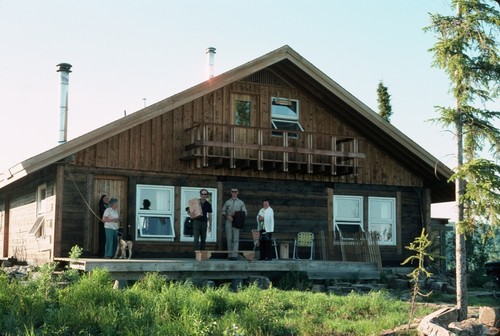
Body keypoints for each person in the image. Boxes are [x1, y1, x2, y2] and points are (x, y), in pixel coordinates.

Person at [221, 187, 247, 260]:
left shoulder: (241, 202)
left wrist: (236, 214)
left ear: (237, 192)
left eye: (235, 192)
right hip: (229, 220)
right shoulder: (227, 202)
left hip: (236, 221)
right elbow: (223, 211)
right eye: (233, 191)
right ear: (231, 192)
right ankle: (230, 255)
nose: (234, 193)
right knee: (229, 238)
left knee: (236, 239)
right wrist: (227, 216)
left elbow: (245, 212)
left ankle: (234, 255)